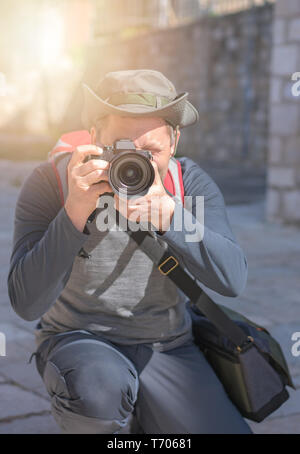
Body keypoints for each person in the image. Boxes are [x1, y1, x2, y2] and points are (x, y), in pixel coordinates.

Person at [7, 69, 252, 434]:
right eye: (122, 149)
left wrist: (171, 216)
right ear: (93, 138)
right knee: (98, 392)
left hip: (167, 345)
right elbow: (26, 303)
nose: (137, 165)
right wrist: (74, 211)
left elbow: (233, 280)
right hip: (81, 339)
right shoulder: (51, 182)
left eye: (152, 152)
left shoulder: (189, 184)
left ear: (175, 141)